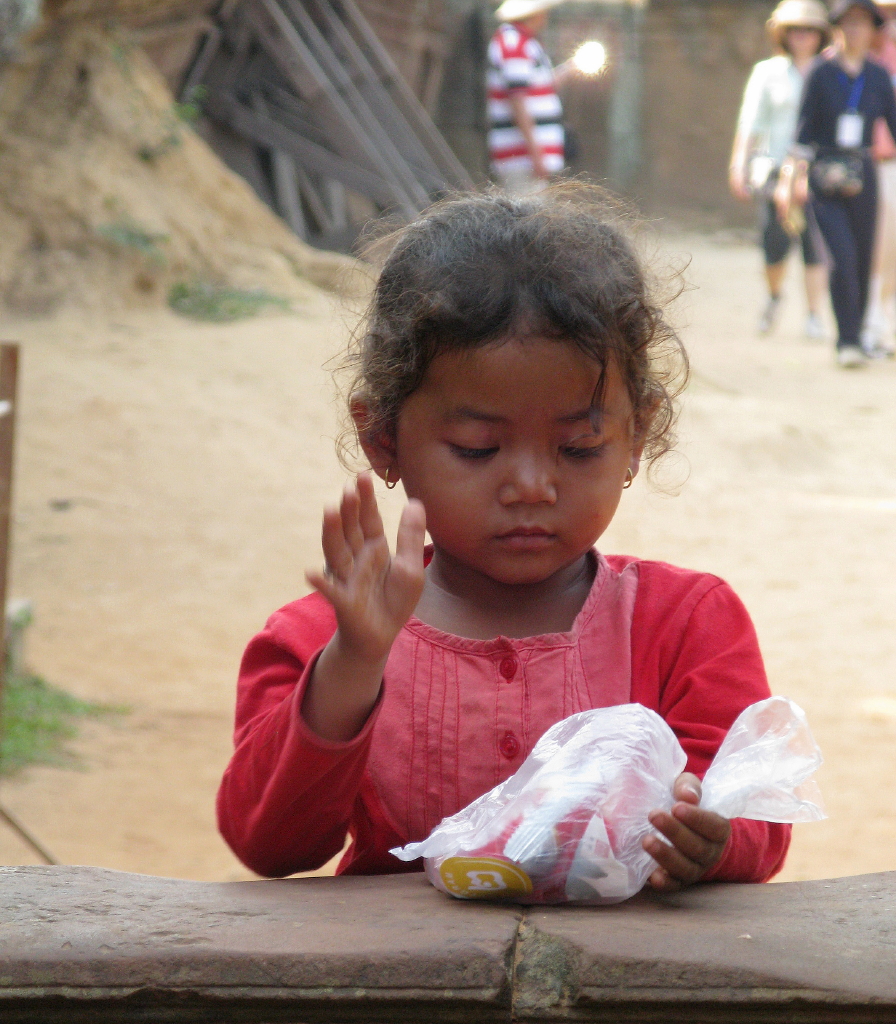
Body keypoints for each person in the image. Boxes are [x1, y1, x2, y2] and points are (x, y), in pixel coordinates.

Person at [217, 186, 791, 892]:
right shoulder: (321, 639)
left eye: (579, 448)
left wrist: (711, 840)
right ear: (383, 439)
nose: (530, 486)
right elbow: (269, 843)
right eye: (477, 448)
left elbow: (753, 817)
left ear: (636, 435)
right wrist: (354, 664)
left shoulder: (687, 624)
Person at [779, 0, 896, 366]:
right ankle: (845, 339)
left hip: (864, 173)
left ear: (872, 30)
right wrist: (792, 178)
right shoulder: (821, 73)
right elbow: (802, 131)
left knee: (863, 259)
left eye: (863, 23)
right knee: (840, 256)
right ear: (837, 28)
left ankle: (858, 336)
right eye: (848, 23)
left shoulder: (878, 77)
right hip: (823, 176)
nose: (856, 30)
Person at [729, 0, 830, 338]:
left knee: (815, 243)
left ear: (821, 34)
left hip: (816, 170)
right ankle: (774, 296)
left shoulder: (828, 71)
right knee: (774, 240)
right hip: (773, 168)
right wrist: (738, 164)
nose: (802, 36)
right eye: (795, 30)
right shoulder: (767, 71)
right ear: (784, 34)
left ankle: (815, 314)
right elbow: (750, 122)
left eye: (809, 30)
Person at [486, 0, 571, 194]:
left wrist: (571, 69)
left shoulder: (525, 42)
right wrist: (536, 155)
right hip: (522, 159)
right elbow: (518, 101)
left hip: (528, 158)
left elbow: (535, 87)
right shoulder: (513, 43)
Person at [861, 1, 896, 356]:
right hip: (865, 165)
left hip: (892, 165)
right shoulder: (842, 60)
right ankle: (869, 322)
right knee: (875, 247)